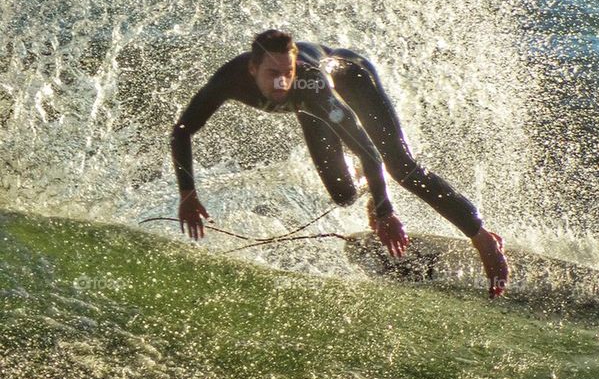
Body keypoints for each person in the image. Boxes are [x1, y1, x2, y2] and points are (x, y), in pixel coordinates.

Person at [171, 29, 509, 297]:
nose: (281, 82)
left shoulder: (310, 84)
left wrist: (386, 211)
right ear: (252, 69)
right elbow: (183, 131)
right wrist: (187, 193)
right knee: (344, 194)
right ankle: (370, 185)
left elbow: (368, 150)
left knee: (400, 166)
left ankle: (482, 238)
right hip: (310, 108)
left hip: (352, 78)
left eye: (288, 73)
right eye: (272, 73)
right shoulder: (228, 80)